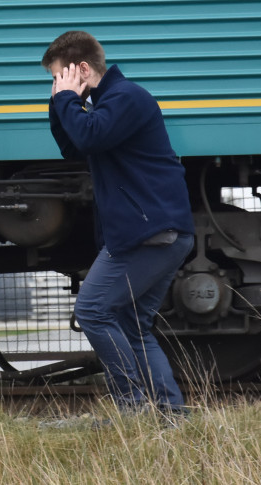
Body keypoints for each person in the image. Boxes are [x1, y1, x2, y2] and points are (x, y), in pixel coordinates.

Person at [41, 30, 195, 415]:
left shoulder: (126, 97)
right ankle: (170, 414)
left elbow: (90, 136)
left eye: (58, 76)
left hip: (148, 233)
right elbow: (74, 146)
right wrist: (58, 104)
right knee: (133, 327)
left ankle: (132, 406)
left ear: (81, 69)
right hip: (153, 231)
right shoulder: (110, 103)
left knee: (92, 310)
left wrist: (65, 100)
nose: (56, 84)